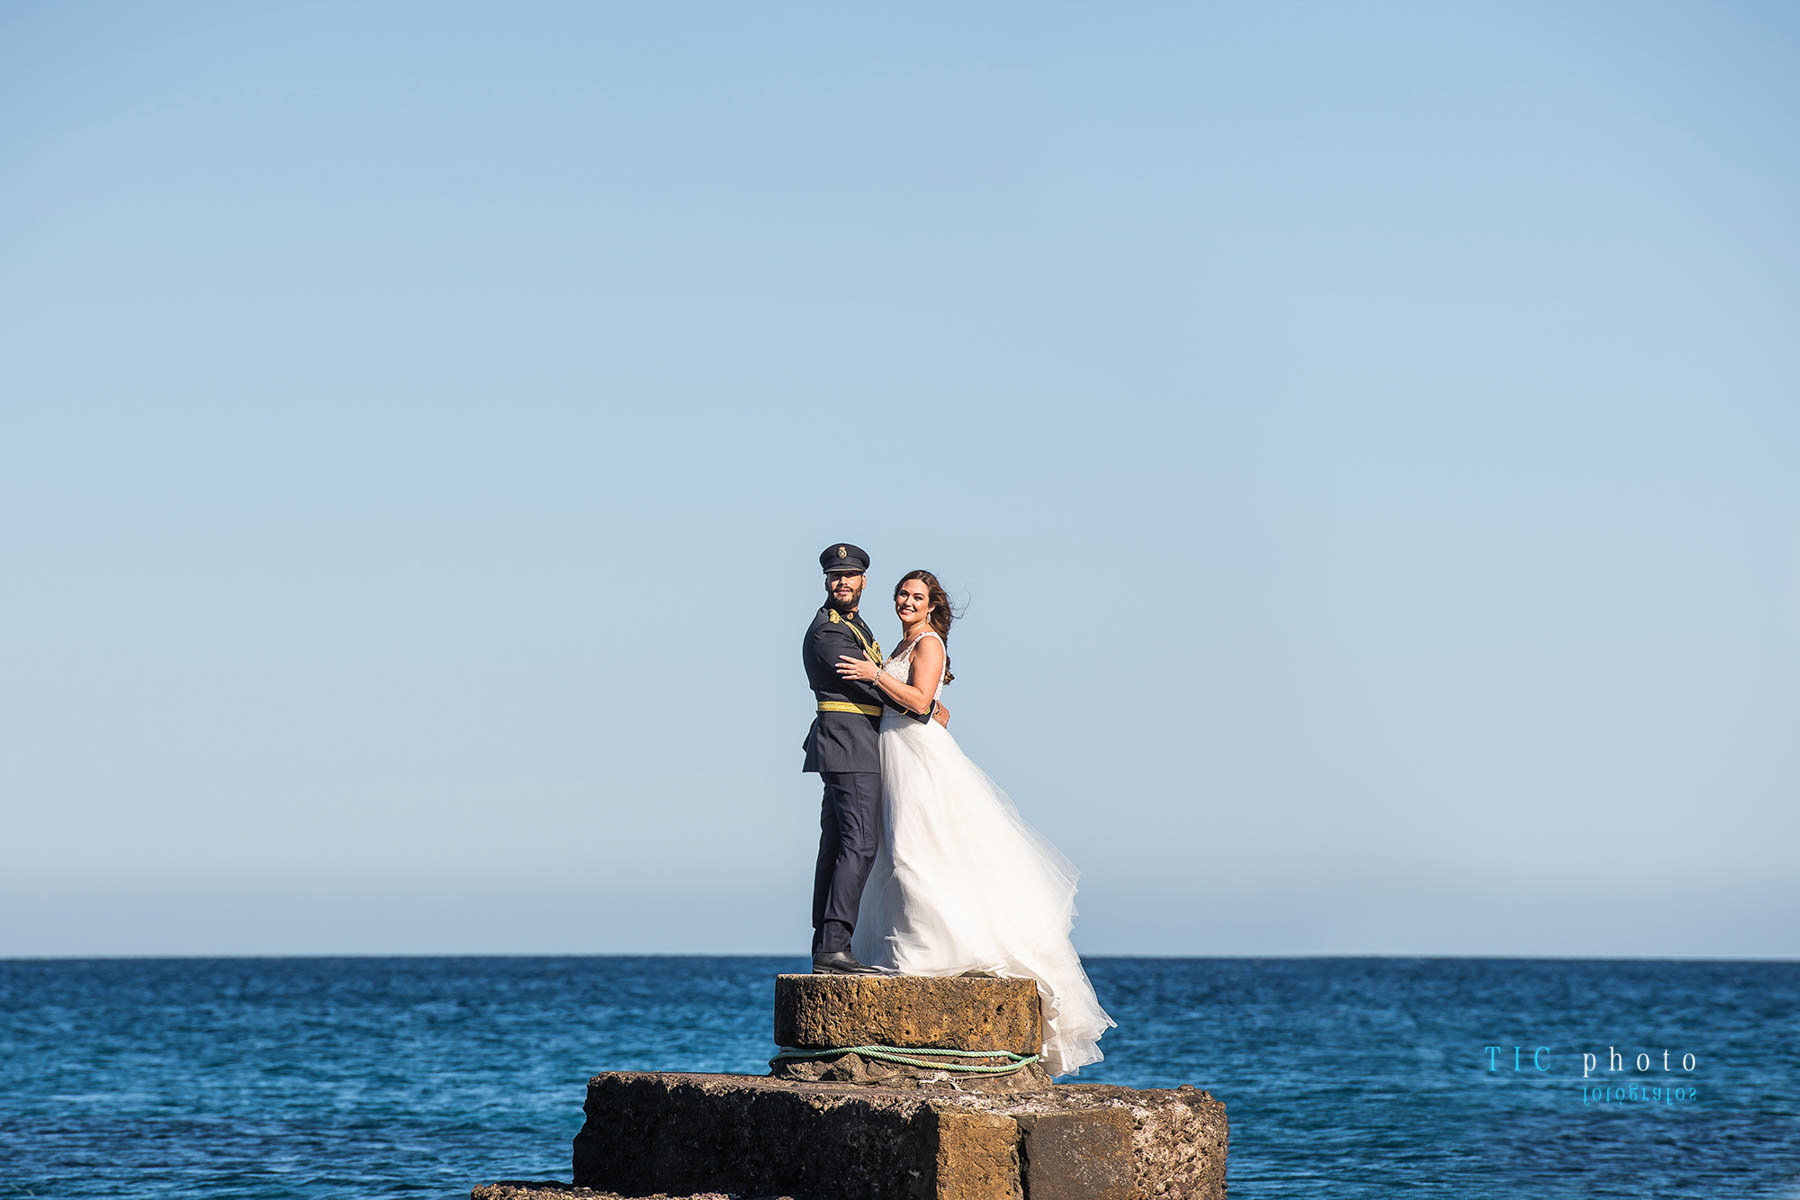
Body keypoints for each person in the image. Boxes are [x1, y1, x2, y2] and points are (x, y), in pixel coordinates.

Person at [834, 570, 1115, 1076]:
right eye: (902, 594)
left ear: (931, 605)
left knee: (914, 849)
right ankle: (904, 943)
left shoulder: (929, 641)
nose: (906, 601)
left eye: (917, 596)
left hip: (916, 754)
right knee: (895, 851)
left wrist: (875, 676)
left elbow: (920, 702)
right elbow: (930, 705)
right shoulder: (904, 643)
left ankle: (923, 953)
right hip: (896, 749)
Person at [800, 543, 946, 975]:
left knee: (838, 844)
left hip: (859, 744)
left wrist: (922, 701)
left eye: (849, 575)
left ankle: (828, 944)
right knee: (860, 843)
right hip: (849, 745)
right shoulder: (829, 632)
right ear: (827, 582)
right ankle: (833, 946)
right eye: (835, 576)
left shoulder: (856, 626)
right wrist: (923, 706)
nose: (842, 582)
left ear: (863, 581)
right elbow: (870, 687)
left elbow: (881, 681)